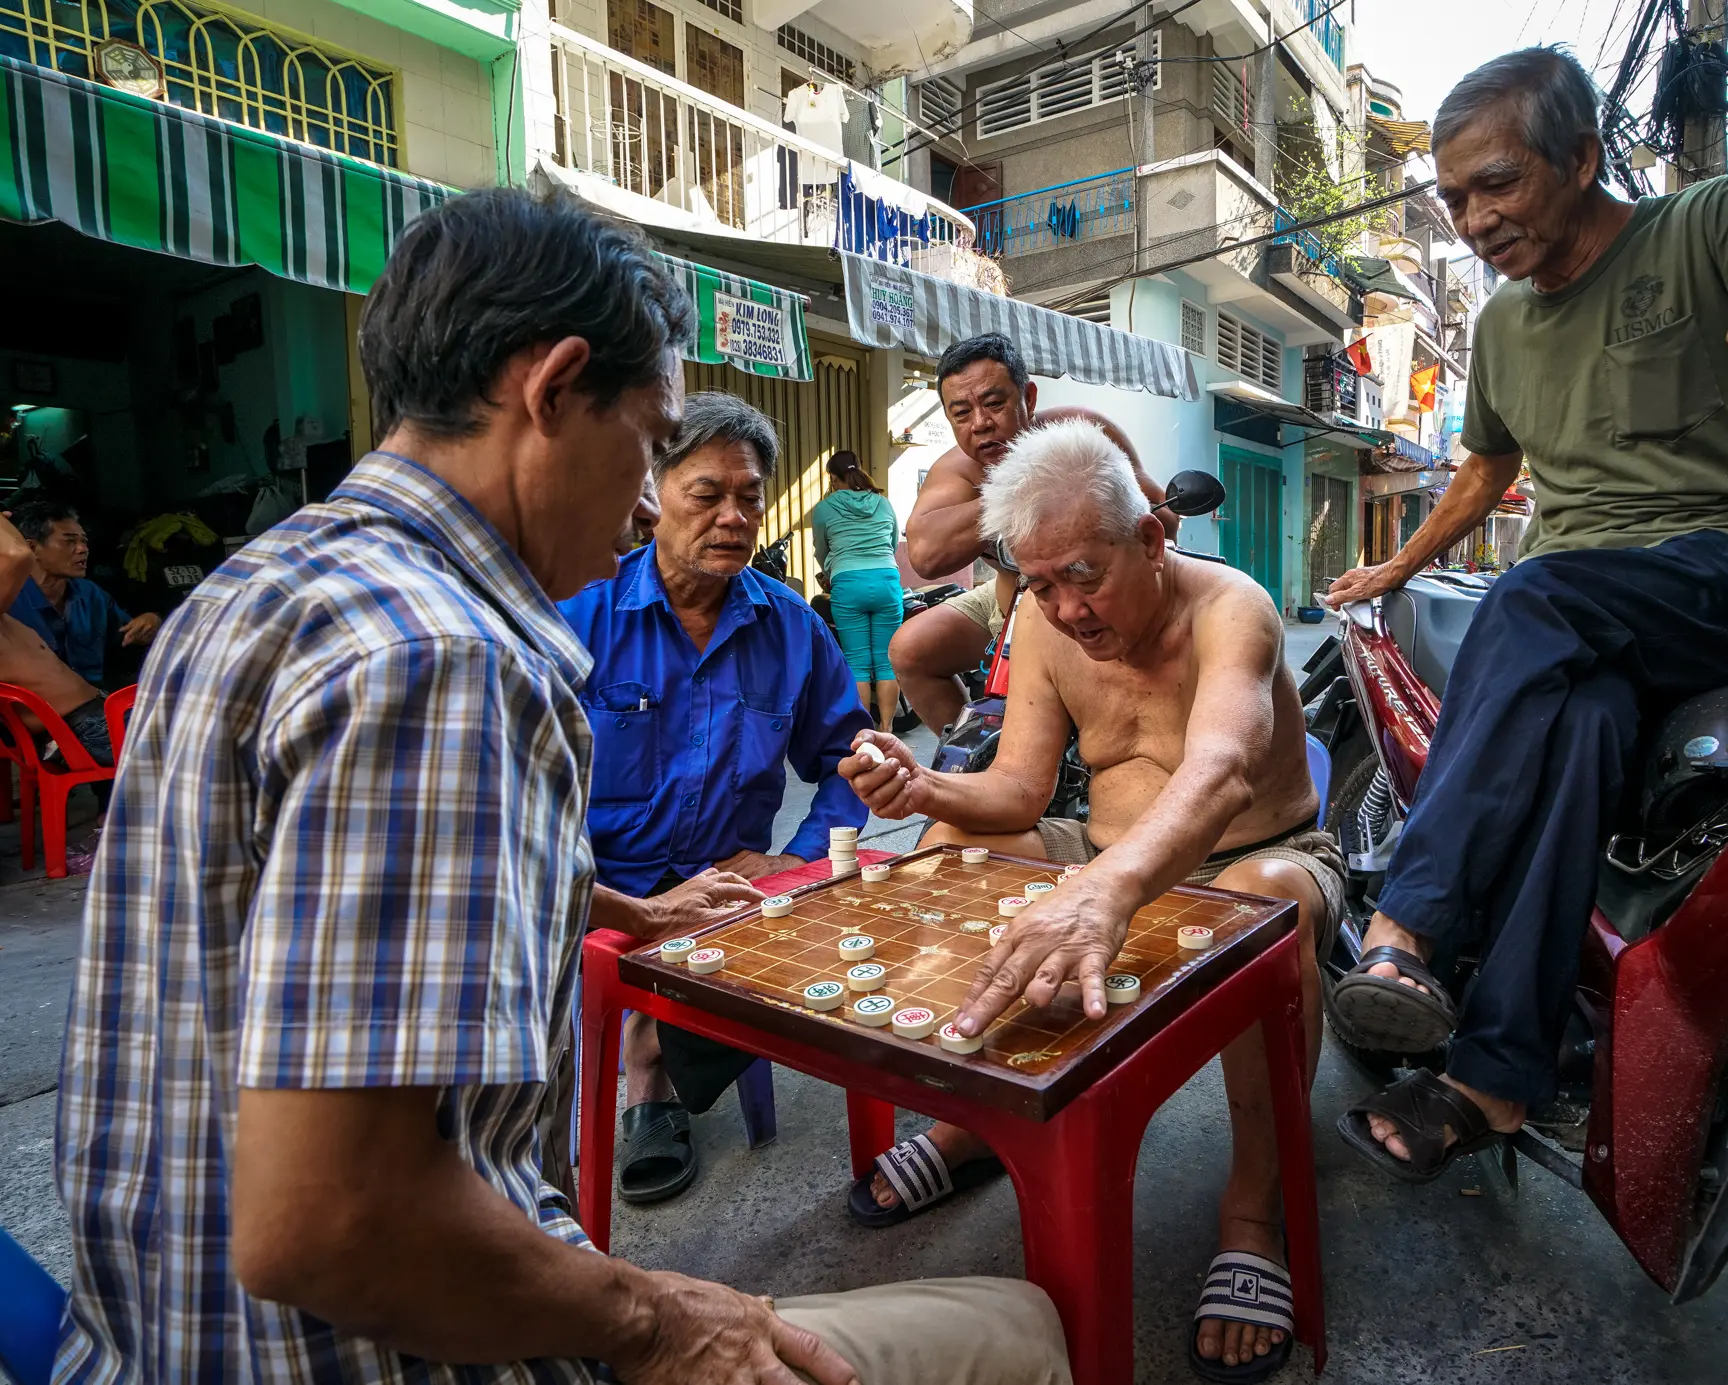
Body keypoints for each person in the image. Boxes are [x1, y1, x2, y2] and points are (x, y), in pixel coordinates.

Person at [52, 187, 1072, 1385]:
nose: (649, 501)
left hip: (149, 1335)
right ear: (551, 387)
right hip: (370, 1354)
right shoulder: (449, 658)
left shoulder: (258, 583)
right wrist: (658, 1320)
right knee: (1021, 1330)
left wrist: (624, 910)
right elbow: (333, 1222)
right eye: (650, 445)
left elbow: (312, 915)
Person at [1316, 48, 1728, 1181]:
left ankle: (1406, 929)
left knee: (1534, 593)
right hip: (1583, 620)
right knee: (1578, 725)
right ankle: (1493, 1078)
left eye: (1494, 184)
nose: (1474, 218)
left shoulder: (1704, 224)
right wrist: (1396, 568)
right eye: (1452, 200)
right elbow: (1484, 470)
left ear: (1580, 158)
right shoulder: (1497, 328)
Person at [841, 419, 1342, 1385]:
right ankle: (978, 1123)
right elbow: (1022, 792)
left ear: (1152, 539)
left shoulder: (1232, 608)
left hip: (1259, 849)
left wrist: (1105, 892)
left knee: (1263, 908)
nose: (1066, 608)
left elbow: (1225, 768)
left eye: (1085, 574)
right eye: (1040, 584)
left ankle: (1251, 1210)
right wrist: (927, 790)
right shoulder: (1041, 622)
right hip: (1100, 844)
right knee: (951, 847)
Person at [560, 392, 873, 1205]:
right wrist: (616, 901)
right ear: (653, 494)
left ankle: (650, 1064)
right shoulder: (580, 614)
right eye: (707, 495)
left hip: (732, 885)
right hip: (597, 886)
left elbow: (847, 758)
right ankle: (645, 1057)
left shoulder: (792, 628)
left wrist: (794, 860)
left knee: (861, 939)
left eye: (750, 497)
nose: (734, 517)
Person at [888, 334, 1175, 733]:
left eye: (994, 403)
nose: (981, 423)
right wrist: (1026, 484)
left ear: (1029, 397)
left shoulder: (1082, 430)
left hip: (1084, 596)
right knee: (910, 650)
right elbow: (924, 554)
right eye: (962, 413)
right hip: (1004, 598)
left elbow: (1166, 518)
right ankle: (978, 757)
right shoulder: (956, 470)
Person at [0, 510, 113, 767]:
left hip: (89, 721)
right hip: (84, 730)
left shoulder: (88, 594)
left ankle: (114, 807)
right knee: (209, 736)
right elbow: (16, 555)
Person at [8, 501, 160, 684]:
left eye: (84, 541)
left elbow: (128, 635)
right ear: (32, 548)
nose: (83, 549)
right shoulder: (8, 597)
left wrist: (151, 622)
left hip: (93, 702)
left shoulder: (90, 594)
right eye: (70, 541)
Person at [811, 449, 903, 731]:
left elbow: (821, 549)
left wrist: (830, 570)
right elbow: (893, 543)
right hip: (887, 581)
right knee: (887, 662)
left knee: (858, 663)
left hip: (848, 584)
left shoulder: (825, 508)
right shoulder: (883, 503)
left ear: (833, 478)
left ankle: (865, 732)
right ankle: (887, 729)